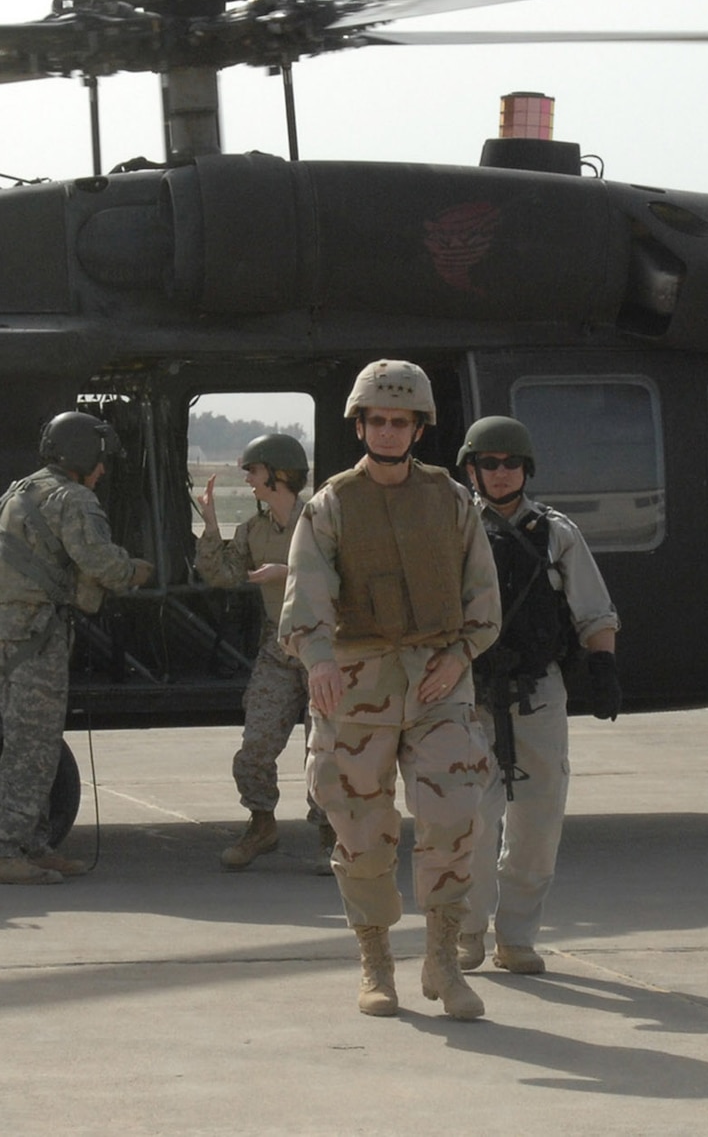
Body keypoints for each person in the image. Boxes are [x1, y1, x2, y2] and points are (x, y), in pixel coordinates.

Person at [280, 359, 500, 1019]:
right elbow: (305, 592)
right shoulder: (330, 505)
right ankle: (376, 959)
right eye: (375, 419)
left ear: (418, 428)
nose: (386, 430)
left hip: (438, 683)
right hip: (355, 687)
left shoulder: (452, 500)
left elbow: (482, 596)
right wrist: (318, 656)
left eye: (398, 421)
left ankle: (440, 957)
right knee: (360, 828)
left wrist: (459, 654)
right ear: (360, 425)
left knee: (455, 811)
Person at [453, 415, 622, 977]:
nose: (500, 474)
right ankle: (467, 931)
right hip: (470, 693)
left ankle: (517, 936)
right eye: (489, 464)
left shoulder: (556, 533)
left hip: (538, 693)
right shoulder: (453, 529)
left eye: (511, 464)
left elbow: (594, 609)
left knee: (539, 822)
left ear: (526, 469)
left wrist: (603, 667)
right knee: (471, 820)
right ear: (471, 469)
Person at [0, 410, 152, 885]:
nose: (102, 471)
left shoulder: (20, 491)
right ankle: (3, 851)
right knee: (31, 746)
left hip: (12, 630)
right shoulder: (71, 499)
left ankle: (33, 844)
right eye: (99, 459)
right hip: (36, 634)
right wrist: (137, 570)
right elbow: (101, 564)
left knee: (34, 739)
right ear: (81, 455)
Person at [196, 432, 333, 873]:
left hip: (322, 650)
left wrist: (287, 573)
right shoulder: (253, 530)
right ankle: (261, 824)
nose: (250, 481)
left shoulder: (321, 522)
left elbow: (346, 578)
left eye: (254, 472)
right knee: (255, 746)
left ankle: (332, 834)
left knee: (326, 751)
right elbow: (222, 575)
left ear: (278, 474)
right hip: (277, 650)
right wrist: (210, 525)